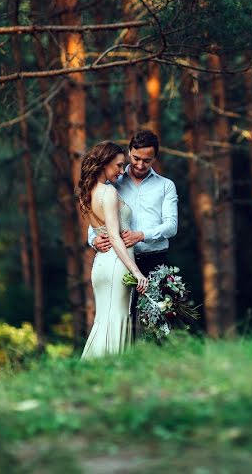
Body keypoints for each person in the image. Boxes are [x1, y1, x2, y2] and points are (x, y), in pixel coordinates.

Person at [89, 130, 179, 331]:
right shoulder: (114, 181)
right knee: (121, 321)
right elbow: (96, 216)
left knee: (157, 326)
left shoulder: (166, 186)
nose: (140, 165)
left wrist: (142, 235)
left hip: (155, 260)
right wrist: (93, 240)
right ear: (129, 152)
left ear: (155, 158)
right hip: (118, 261)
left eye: (147, 160)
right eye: (136, 158)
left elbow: (172, 226)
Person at [77, 141, 149, 359]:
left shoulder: (85, 193)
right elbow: (115, 237)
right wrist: (136, 272)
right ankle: (110, 369)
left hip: (101, 264)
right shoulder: (107, 192)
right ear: (103, 164)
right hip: (117, 264)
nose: (121, 171)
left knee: (104, 320)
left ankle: (94, 372)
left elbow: (100, 233)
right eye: (118, 165)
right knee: (117, 318)